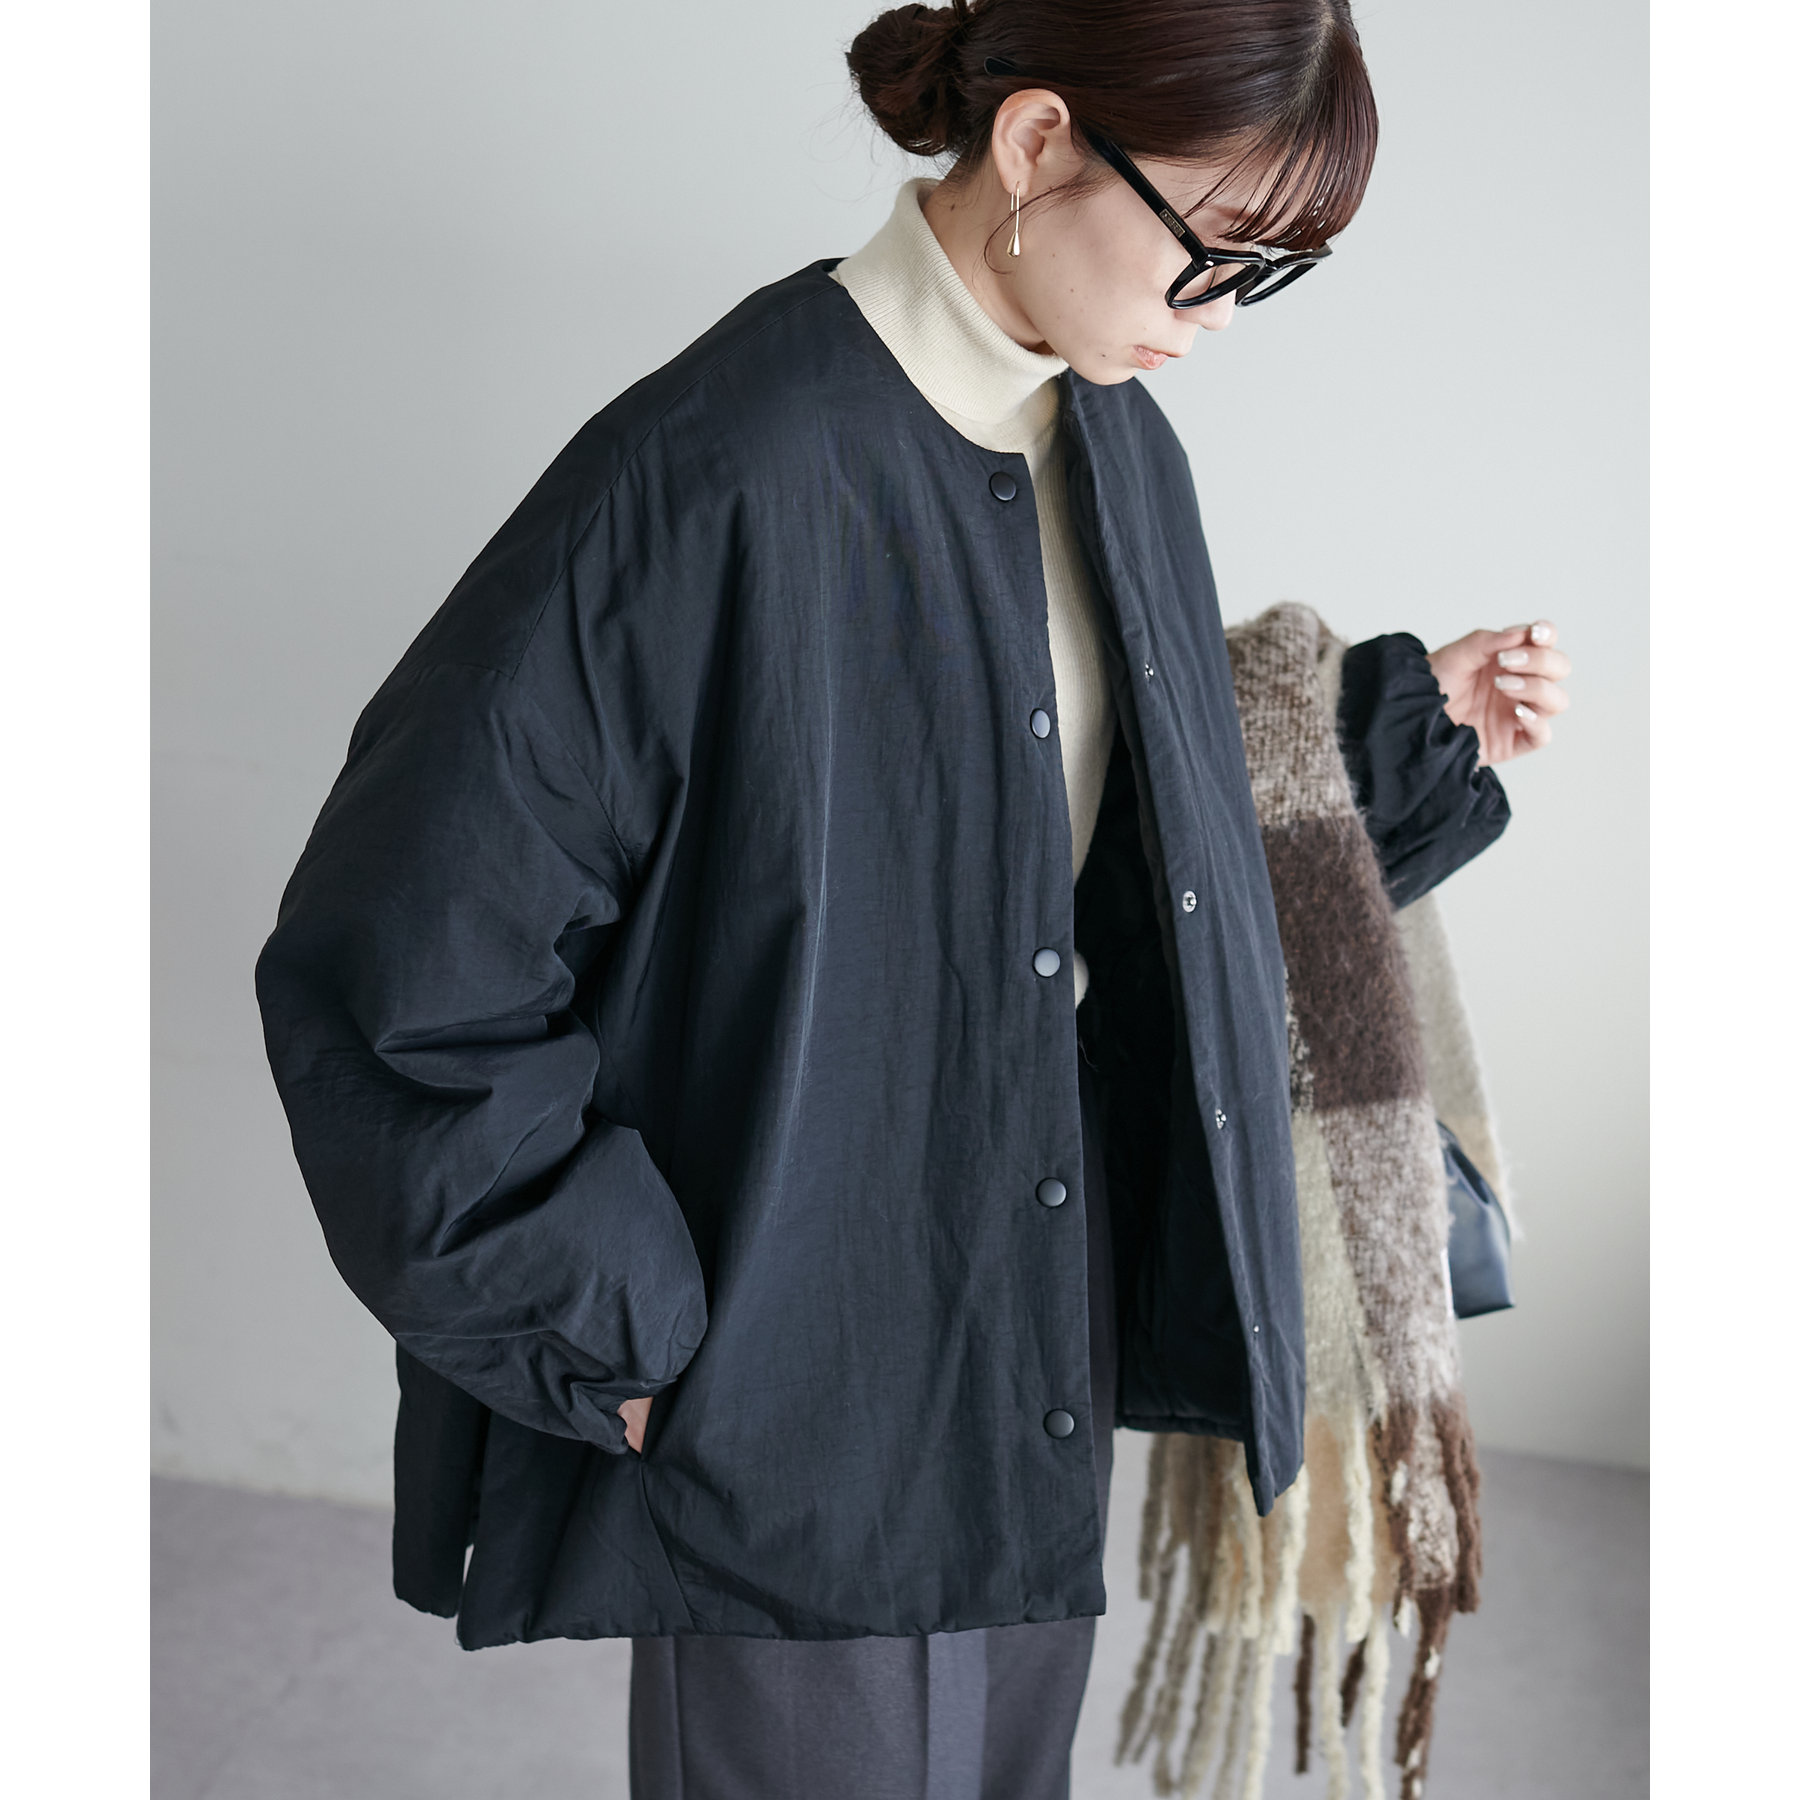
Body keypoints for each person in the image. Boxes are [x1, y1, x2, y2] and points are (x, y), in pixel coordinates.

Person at [254, 3, 1571, 1796]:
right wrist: (614, 1330)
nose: (1215, 318)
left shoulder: (1116, 448)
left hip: (1027, 1305)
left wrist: (1393, 748)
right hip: (786, 1348)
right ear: (1037, 145)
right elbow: (405, 952)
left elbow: (1107, 873)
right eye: (1209, 252)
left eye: (1267, 274)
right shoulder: (717, 467)